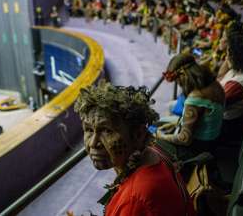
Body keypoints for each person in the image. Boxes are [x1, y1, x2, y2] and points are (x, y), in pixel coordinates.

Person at [74, 81, 196, 216]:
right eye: (89, 130)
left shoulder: (134, 199)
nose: (93, 143)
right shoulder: (153, 151)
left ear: (137, 134)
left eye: (107, 131)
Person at [155, 54, 225, 161]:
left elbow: (185, 139)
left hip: (197, 150)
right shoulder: (214, 83)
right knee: (164, 123)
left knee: (150, 141)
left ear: (183, 75)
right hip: (212, 142)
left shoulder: (195, 98)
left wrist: (161, 136)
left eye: (177, 80)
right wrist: (176, 124)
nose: (178, 84)